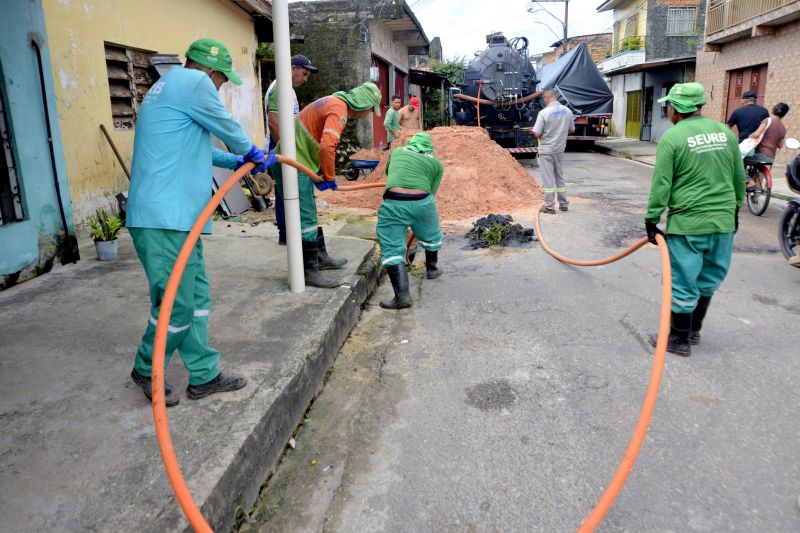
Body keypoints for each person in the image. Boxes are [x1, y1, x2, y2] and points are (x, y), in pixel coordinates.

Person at [126, 38, 275, 406]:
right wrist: (249, 150)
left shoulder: (168, 88)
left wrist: (240, 165)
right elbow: (227, 126)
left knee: (196, 297)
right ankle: (146, 367)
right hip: (164, 217)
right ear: (210, 71)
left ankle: (204, 375)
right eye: (223, 81)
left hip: (174, 219)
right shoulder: (193, 83)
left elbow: (198, 150)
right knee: (176, 303)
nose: (221, 88)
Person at [644, 82, 744, 357]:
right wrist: (734, 210)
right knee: (709, 277)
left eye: (669, 106)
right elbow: (738, 177)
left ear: (675, 108)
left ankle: (678, 339)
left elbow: (662, 184)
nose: (669, 111)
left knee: (683, 280)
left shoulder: (673, 138)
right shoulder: (725, 133)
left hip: (688, 223)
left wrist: (652, 220)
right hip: (723, 221)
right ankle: (694, 330)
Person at [273, 81, 382, 288]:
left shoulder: (334, 101)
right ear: (363, 104)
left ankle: (320, 258)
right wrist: (329, 175)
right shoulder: (338, 109)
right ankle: (308, 271)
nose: (368, 114)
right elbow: (327, 145)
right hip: (294, 164)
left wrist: (323, 173)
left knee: (309, 211)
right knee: (305, 216)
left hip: (297, 161)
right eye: (370, 109)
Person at [376, 132, 444, 309]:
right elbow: (432, 190)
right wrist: (419, 211)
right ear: (429, 148)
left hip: (394, 202)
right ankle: (432, 269)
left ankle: (402, 296)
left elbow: (388, 172)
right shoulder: (436, 164)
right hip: (422, 202)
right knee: (431, 234)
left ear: (411, 143)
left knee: (391, 245)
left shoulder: (398, 152)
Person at [264, 54, 318, 245]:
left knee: (291, 189)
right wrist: (286, 153)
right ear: (292, 68)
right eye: (303, 74)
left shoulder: (288, 89)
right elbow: (274, 122)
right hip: (280, 146)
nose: (305, 79)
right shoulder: (280, 89)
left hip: (286, 145)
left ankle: (291, 231)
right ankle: (287, 232)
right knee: (285, 190)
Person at [533, 89, 575, 214]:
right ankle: (563, 204)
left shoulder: (544, 113)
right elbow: (572, 129)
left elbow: (537, 133)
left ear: (546, 98)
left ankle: (550, 207)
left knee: (548, 179)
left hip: (547, 150)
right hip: (560, 149)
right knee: (559, 177)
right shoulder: (567, 111)